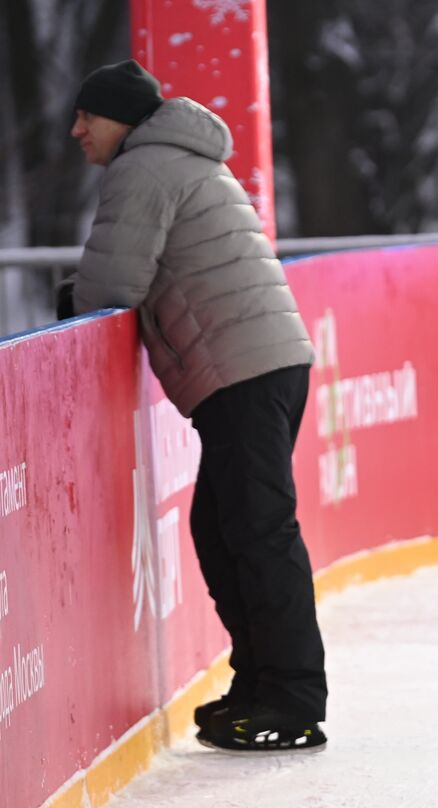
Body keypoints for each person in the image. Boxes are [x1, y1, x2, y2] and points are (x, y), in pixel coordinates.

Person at [66, 60, 327, 750]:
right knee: (222, 526)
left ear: (120, 117)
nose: (76, 130)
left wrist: (71, 302)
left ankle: (294, 698)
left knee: (257, 530)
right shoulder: (181, 158)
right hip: (262, 361)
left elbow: (111, 285)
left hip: (243, 368)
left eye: (88, 116)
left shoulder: (144, 167)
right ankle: (263, 682)